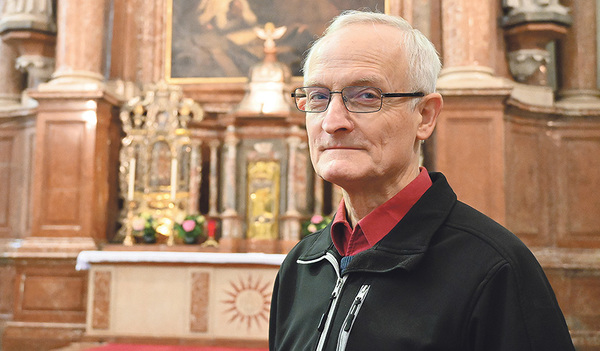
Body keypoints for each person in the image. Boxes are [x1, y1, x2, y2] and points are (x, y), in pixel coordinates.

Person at [268, 10, 575, 351]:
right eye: (318, 97)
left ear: (425, 116)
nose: (332, 122)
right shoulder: (301, 265)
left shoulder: (494, 268)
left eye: (367, 96)